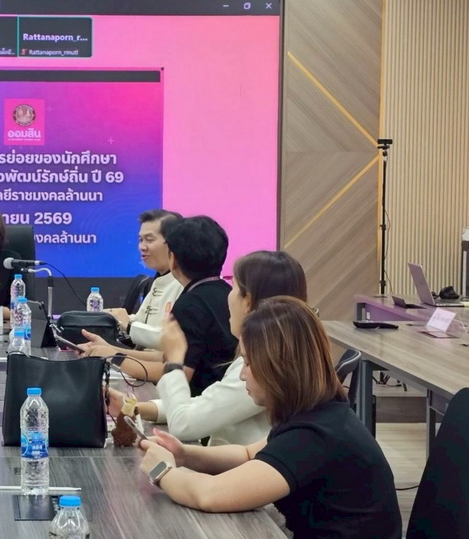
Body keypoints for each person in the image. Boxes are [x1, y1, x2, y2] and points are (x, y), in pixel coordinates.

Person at [138, 297, 402, 537]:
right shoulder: (319, 413)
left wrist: (162, 470)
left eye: (248, 363)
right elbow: (247, 455)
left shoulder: (314, 436)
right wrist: (184, 454)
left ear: (279, 367)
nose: (242, 375)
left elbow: (209, 495)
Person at [133, 250, 307, 446]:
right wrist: (137, 408)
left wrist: (174, 362)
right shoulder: (280, 351)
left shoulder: (265, 364)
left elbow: (184, 424)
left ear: (248, 302)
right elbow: (207, 406)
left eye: (233, 286)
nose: (227, 295)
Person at [81, 216, 237, 395]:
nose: (142, 246)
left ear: (173, 258)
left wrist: (115, 358)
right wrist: (110, 351)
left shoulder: (190, 303)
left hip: (197, 401)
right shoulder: (225, 291)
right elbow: (168, 356)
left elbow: (177, 372)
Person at [105, 209, 183, 350]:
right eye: (140, 240)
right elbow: (142, 322)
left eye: (149, 240)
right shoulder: (160, 279)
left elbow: (173, 340)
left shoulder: (183, 284)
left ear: (173, 243)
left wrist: (128, 324)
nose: (142, 247)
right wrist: (112, 318)